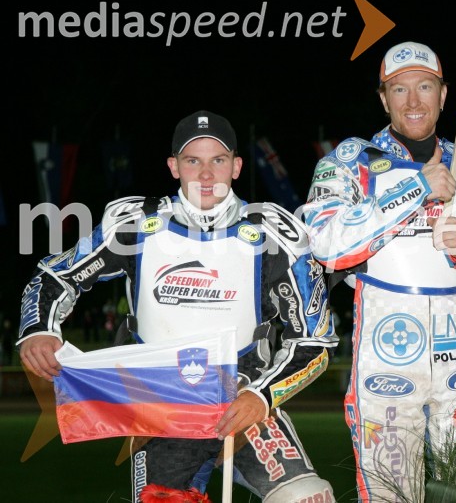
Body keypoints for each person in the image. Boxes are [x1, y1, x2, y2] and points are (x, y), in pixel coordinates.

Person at [18, 110, 337, 503]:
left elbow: (315, 341)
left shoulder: (275, 234)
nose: (206, 175)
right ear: (173, 166)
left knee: (308, 498)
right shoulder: (135, 222)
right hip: (159, 403)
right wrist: (38, 330)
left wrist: (262, 396)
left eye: (218, 161)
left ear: (236, 167)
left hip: (244, 395)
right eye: (193, 161)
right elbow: (53, 275)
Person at [302, 41, 456, 502]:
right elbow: (324, 244)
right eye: (400, 89)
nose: (413, 101)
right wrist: (415, 189)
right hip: (384, 350)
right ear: (383, 98)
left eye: (424, 87)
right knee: (389, 493)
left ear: (443, 94)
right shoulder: (349, 161)